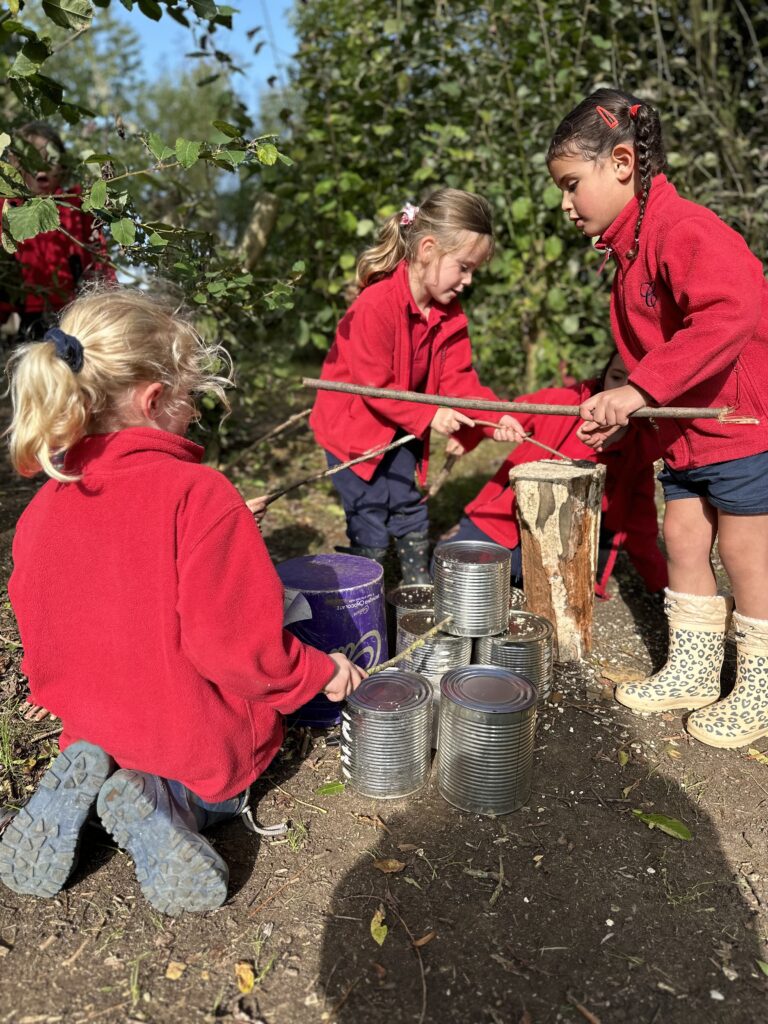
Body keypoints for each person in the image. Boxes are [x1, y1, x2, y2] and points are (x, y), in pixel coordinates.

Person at [0, 288, 364, 914]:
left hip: (94, 730)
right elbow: (237, 650)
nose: (194, 411)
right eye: (191, 396)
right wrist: (322, 671)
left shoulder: (43, 509)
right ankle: (172, 804)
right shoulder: (199, 494)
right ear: (152, 397)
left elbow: (48, 610)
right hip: (192, 746)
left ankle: (84, 798)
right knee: (221, 784)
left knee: (107, 746)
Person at [547, 87, 768, 748]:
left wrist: (640, 389)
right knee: (683, 540)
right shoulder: (628, 251)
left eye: (570, 184)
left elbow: (734, 312)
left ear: (621, 162)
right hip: (685, 435)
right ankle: (697, 669)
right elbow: (649, 350)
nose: (565, 204)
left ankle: (760, 687)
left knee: (746, 552)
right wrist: (626, 406)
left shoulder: (684, 228)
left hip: (737, 424)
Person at [309, 188, 525, 586]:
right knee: (370, 511)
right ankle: (365, 585)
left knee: (409, 504)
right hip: (354, 431)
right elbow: (374, 387)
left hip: (404, 426)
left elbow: (459, 382)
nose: (467, 280)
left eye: (473, 270)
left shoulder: (448, 314)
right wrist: (431, 414)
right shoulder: (376, 304)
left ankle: (415, 580)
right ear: (427, 248)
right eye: (463, 267)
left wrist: (495, 420)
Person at [445, 352, 667, 598]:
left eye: (633, 385)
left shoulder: (638, 445)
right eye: (616, 377)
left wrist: (662, 583)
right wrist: (472, 433)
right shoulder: (562, 402)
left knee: (535, 598)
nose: (620, 392)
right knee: (451, 572)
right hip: (506, 522)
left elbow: (640, 523)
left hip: (563, 549)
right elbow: (505, 414)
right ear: (603, 377)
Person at [0, 122, 115, 340]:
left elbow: (99, 260)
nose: (41, 168)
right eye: (33, 159)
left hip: (72, 314)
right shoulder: (6, 206)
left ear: (62, 166)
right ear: (16, 164)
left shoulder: (77, 204)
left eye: (50, 159)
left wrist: (110, 305)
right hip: (22, 317)